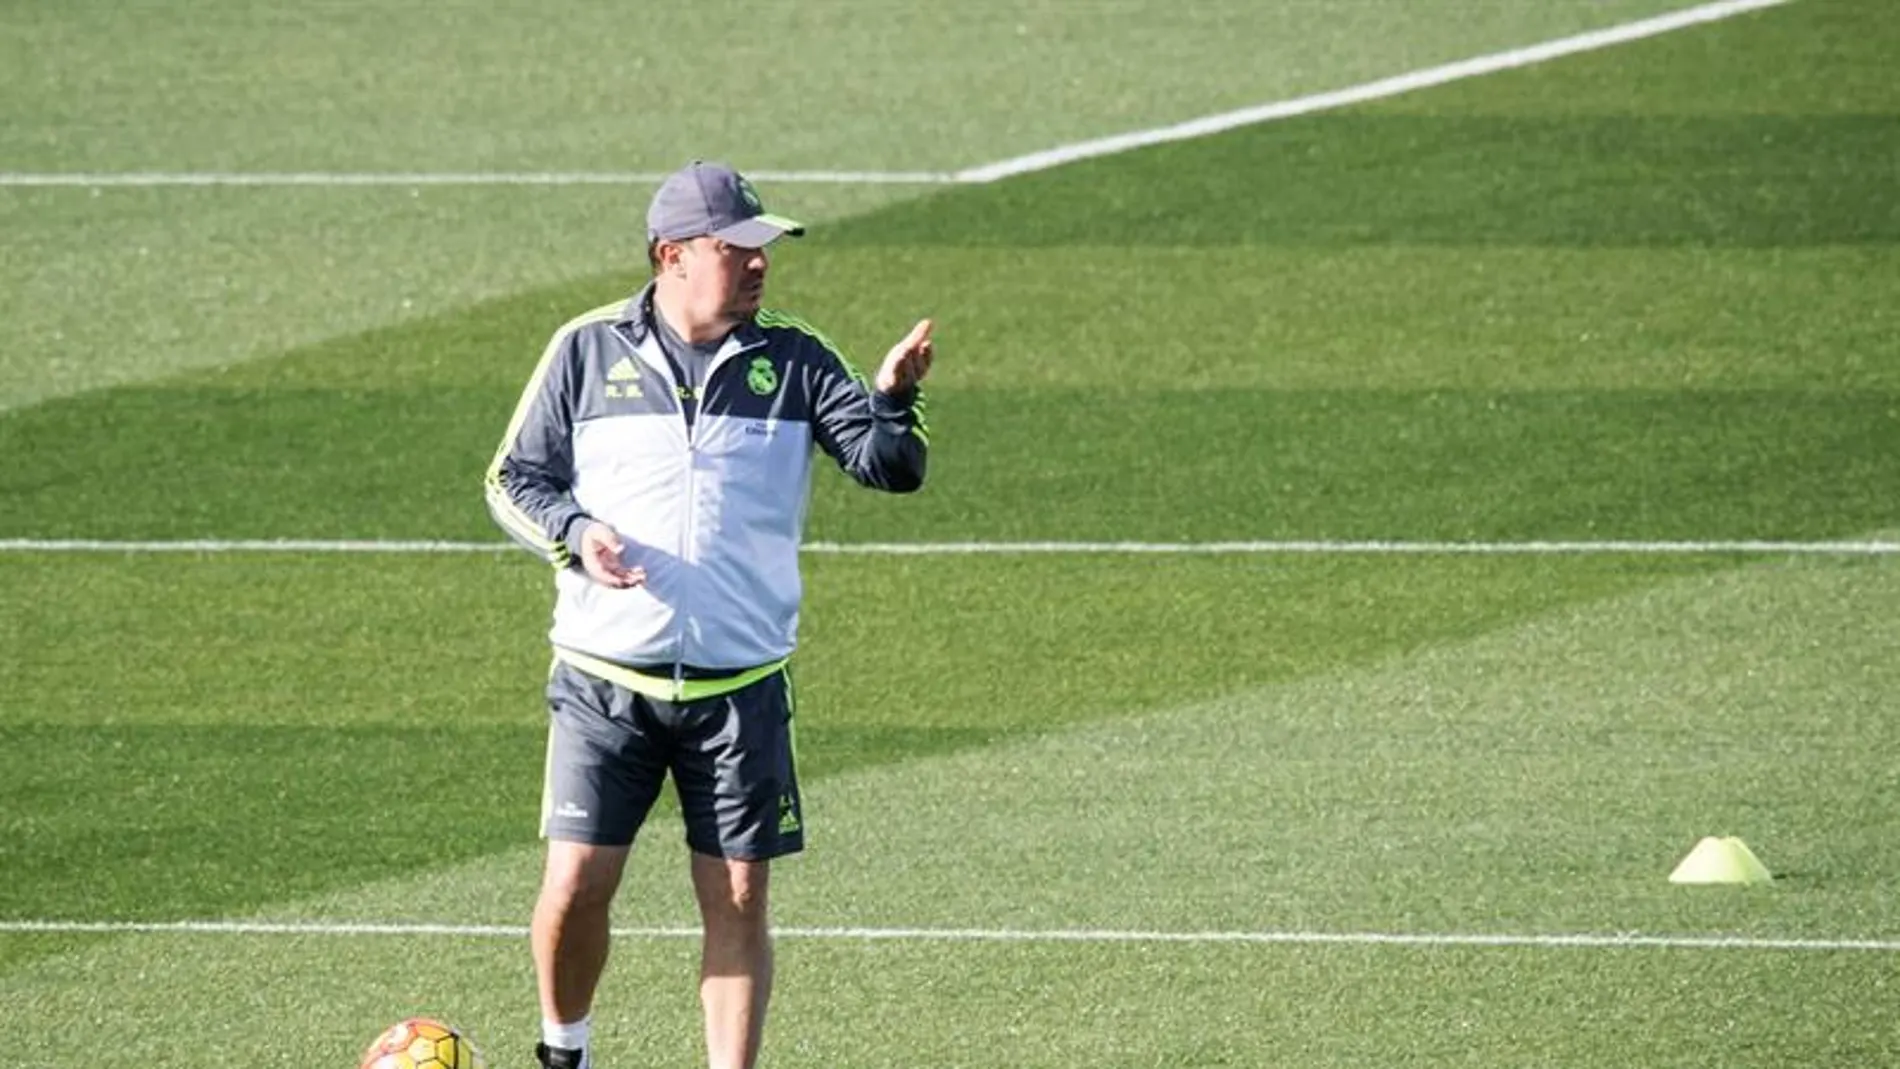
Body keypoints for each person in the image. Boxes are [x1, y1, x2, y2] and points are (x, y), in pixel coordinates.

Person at [482, 160, 935, 1069]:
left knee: (735, 899)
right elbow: (511, 478)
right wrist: (575, 530)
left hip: (741, 685)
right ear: (672, 256)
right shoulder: (586, 349)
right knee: (576, 883)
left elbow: (891, 467)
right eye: (740, 249)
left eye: (765, 249)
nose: (762, 265)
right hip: (605, 682)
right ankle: (565, 1052)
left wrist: (891, 400)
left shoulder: (798, 360)